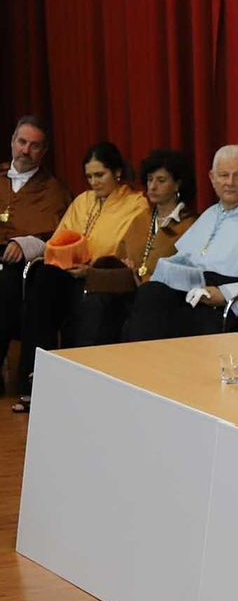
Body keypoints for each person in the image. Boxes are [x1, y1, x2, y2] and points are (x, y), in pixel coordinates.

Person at [13, 143, 150, 410]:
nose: (94, 182)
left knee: (79, 294)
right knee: (44, 279)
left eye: (100, 175)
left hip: (103, 275)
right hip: (70, 271)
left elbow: (126, 253)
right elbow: (58, 240)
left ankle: (73, 383)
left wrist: (89, 268)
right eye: (89, 177)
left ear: (117, 172)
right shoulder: (83, 201)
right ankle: (34, 378)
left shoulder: (136, 204)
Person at [124, 145, 238, 340]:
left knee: (166, 319)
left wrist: (223, 293)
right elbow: (189, 260)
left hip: (233, 306)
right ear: (212, 178)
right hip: (195, 294)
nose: (230, 182)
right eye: (224, 175)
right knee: (150, 294)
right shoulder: (210, 215)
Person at [72, 149, 199, 347]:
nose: (152, 186)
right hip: (128, 293)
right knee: (98, 300)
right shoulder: (141, 219)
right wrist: (125, 267)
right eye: (149, 180)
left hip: (164, 301)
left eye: (161, 180)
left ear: (178, 184)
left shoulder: (191, 225)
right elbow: (120, 258)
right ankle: (88, 359)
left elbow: (188, 274)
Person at [0, 116, 72, 392]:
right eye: (22, 142)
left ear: (44, 151)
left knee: (7, 283)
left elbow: (58, 235)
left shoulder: (54, 190)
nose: (26, 150)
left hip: (21, 266)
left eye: (35, 145)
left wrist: (25, 243)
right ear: (12, 141)